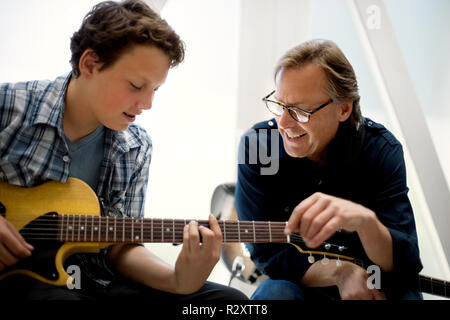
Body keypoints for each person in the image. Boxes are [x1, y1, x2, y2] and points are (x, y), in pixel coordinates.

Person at [0, 0, 247, 301]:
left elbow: (120, 246)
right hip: (21, 280)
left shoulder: (136, 146)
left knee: (229, 303)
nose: (147, 104)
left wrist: (178, 280)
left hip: (98, 282)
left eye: (155, 89)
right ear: (89, 64)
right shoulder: (9, 106)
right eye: (135, 85)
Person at [235, 39, 423, 300]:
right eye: (280, 105)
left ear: (344, 108)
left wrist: (365, 222)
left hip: (377, 281)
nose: (284, 123)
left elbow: (403, 262)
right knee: (275, 293)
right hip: (303, 283)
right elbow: (266, 254)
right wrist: (340, 272)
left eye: (300, 110)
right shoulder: (258, 147)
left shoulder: (381, 149)